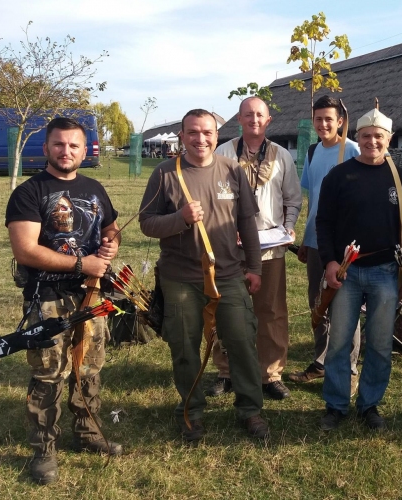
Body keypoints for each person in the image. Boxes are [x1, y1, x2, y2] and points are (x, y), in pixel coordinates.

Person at [139, 109, 269, 443]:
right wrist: (180, 218)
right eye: (193, 133)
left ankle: (250, 410)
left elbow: (247, 226)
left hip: (228, 274)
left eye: (207, 132)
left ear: (217, 135)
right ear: (182, 136)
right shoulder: (166, 174)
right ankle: (191, 411)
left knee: (241, 342)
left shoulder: (231, 171)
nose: (201, 139)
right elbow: (147, 223)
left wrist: (253, 267)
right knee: (184, 347)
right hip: (180, 277)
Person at [5, 117, 122, 485]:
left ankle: (88, 433)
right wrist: (79, 262)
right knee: (49, 373)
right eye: (59, 144)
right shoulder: (29, 192)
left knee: (88, 367)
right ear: (46, 148)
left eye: (74, 145)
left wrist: (110, 245)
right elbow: (25, 250)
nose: (66, 151)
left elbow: (110, 227)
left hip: (92, 295)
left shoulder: (94, 187)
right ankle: (44, 449)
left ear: (84, 150)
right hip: (49, 299)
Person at [315, 108, 402, 431]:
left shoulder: (400, 178)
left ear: (389, 139)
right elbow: (324, 222)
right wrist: (330, 261)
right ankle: (336, 404)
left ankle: (370, 403)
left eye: (379, 137)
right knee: (340, 341)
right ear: (358, 138)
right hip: (347, 273)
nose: (372, 141)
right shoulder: (339, 176)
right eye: (366, 136)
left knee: (381, 343)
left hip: (385, 271)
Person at [207, 97, 302, 401]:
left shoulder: (282, 155)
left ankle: (269, 374)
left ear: (268, 120)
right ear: (240, 118)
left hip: (269, 248)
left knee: (271, 311)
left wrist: (288, 227)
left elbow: (293, 199)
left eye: (260, 115)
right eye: (248, 115)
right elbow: (212, 199)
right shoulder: (222, 152)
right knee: (224, 310)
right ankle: (226, 371)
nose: (254, 120)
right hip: (229, 248)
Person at [289, 95, 362, 389]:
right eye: (318, 119)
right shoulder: (311, 151)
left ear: (340, 121)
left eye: (328, 119)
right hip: (316, 239)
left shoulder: (353, 150)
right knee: (318, 303)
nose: (323, 124)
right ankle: (321, 361)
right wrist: (306, 238)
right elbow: (313, 199)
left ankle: (349, 368)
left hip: (344, 245)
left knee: (345, 303)